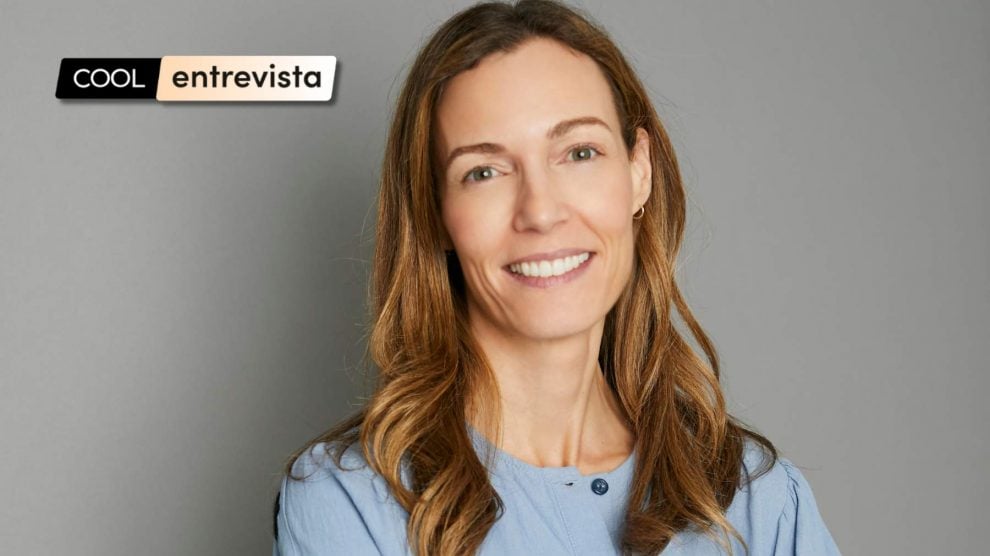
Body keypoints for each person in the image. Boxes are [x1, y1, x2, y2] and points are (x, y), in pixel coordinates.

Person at [271, 1, 841, 554]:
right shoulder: (349, 503)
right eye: (484, 171)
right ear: (434, 212)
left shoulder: (757, 498)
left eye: (580, 152)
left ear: (639, 171)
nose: (541, 212)